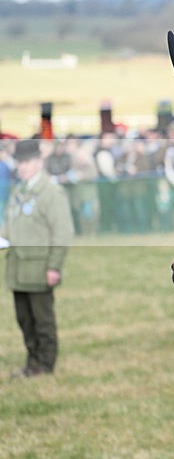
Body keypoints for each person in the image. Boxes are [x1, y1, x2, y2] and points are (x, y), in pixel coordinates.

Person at [1, 139, 74, 377]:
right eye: (19, 162)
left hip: (39, 268)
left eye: (27, 162)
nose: (21, 167)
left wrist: (54, 266)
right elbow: (9, 225)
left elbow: (62, 232)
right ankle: (32, 362)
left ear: (38, 162)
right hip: (17, 269)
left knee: (43, 321)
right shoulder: (18, 191)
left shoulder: (51, 192)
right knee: (25, 320)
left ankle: (45, 365)